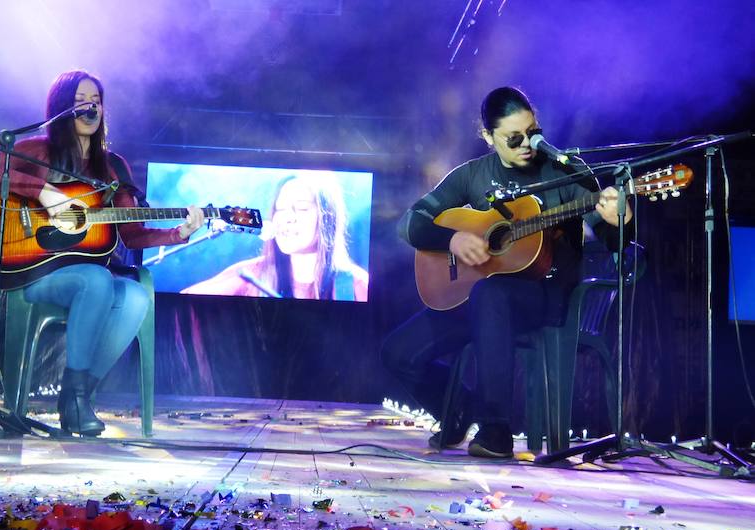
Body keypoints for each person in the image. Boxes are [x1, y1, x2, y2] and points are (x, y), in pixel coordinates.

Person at [381, 87, 632, 458]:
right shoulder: (473, 175)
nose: (527, 143)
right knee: (397, 352)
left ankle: (496, 430)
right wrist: (451, 240)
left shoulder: (566, 171)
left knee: (491, 294)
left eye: (532, 132)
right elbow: (410, 222)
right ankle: (458, 407)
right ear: (487, 136)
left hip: (545, 297)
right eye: (514, 138)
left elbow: (615, 238)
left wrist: (620, 219)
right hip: (480, 299)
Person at [0, 70, 205, 436]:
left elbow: (132, 235)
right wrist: (43, 192)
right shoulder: (35, 151)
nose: (91, 107)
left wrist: (178, 232)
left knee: (135, 297)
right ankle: (76, 402)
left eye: (96, 101)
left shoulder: (113, 167)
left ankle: (76, 397)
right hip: (33, 270)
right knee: (97, 279)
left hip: (93, 277)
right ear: (61, 109)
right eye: (79, 101)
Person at [181, 174, 369, 301]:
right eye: (280, 209)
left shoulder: (356, 285)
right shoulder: (250, 275)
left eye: (302, 208)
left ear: (328, 218)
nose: (287, 217)